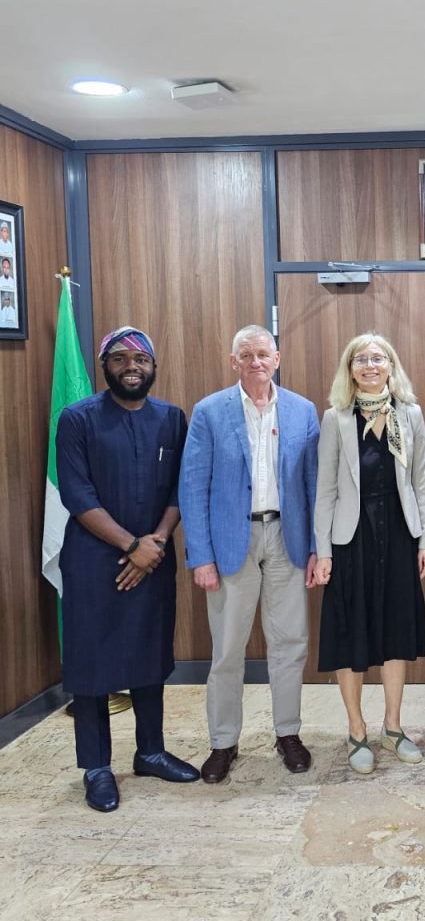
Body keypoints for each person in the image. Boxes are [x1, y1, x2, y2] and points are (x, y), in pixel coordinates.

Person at [56, 326, 200, 811]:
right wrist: (131, 546)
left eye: (140, 359)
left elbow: (182, 487)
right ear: (105, 366)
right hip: (94, 560)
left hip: (154, 555)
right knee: (90, 663)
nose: (131, 367)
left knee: (149, 654)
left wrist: (154, 543)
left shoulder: (171, 418)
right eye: (119, 358)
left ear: (154, 366)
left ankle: (150, 752)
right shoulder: (77, 419)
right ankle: (97, 767)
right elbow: (77, 494)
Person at [179, 324, 319, 783]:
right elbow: (192, 487)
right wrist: (200, 556)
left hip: (287, 539)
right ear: (233, 361)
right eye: (246, 355)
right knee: (227, 649)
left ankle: (288, 733)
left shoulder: (302, 410)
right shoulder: (209, 412)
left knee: (290, 643)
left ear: (277, 359)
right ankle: (223, 742)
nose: (256, 362)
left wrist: (316, 548)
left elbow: (314, 485)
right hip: (230, 543)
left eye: (263, 354)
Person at [311, 333, 425, 774]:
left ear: (390, 366)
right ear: (350, 369)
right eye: (360, 359)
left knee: (396, 630)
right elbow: (325, 490)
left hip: (399, 535)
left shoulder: (409, 414)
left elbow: (422, 482)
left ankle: (393, 727)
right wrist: (323, 551)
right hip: (351, 538)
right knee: (351, 632)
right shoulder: (336, 418)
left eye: (377, 358)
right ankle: (357, 730)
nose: (369, 365)